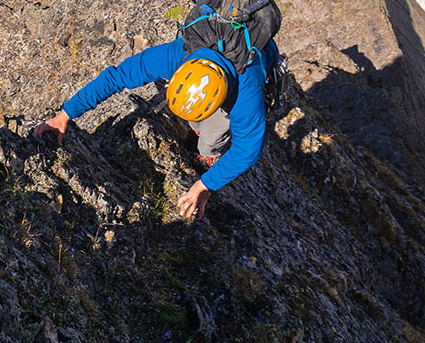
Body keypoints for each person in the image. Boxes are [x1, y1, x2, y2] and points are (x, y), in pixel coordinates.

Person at [32, 35, 280, 221]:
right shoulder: (177, 55)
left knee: (211, 139)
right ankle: (198, 130)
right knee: (197, 123)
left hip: (253, 63)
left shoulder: (244, 94)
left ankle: (210, 152)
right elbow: (116, 77)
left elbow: (247, 149)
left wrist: (204, 185)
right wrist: (65, 114)